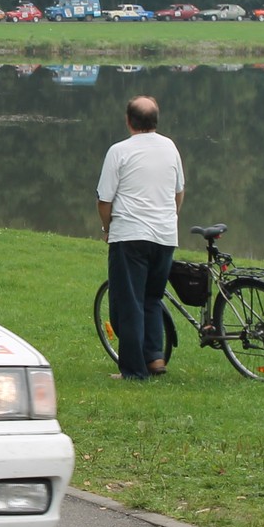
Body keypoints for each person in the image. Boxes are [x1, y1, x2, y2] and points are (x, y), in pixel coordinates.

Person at [97, 96, 184, 381]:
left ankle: (133, 371)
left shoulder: (119, 151)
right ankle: (155, 358)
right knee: (152, 298)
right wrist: (172, 219)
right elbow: (178, 192)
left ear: (128, 120)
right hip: (165, 236)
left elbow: (104, 199)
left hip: (131, 235)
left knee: (129, 302)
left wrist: (106, 228)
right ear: (156, 121)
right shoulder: (170, 147)